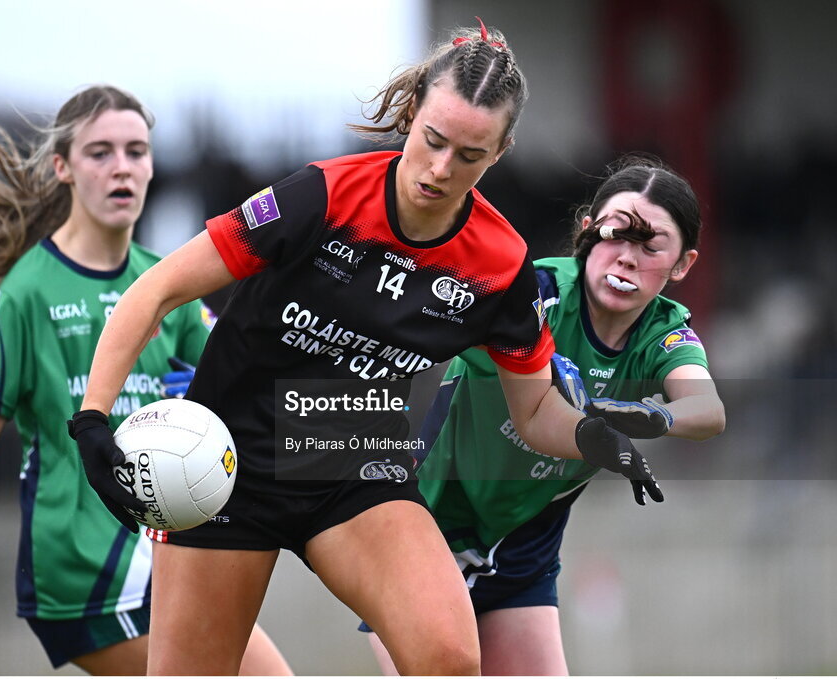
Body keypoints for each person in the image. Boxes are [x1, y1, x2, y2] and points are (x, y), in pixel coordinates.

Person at [69, 20, 661, 676]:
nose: (441, 169)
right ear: (411, 116)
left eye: (470, 155)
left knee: (449, 656)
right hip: (220, 467)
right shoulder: (318, 197)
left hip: (355, 459)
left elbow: (533, 411)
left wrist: (593, 436)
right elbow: (153, 291)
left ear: (500, 152)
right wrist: (94, 421)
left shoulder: (499, 266)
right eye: (433, 140)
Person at [0, 86, 291, 675]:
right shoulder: (27, 292)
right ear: (62, 168)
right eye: (100, 153)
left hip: (160, 550)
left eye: (136, 151)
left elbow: (250, 383)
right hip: (83, 571)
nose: (122, 166)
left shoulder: (165, 281)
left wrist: (203, 402)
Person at [363, 155, 726, 675]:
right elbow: (417, 325)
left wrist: (656, 416)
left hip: (521, 552)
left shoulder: (663, 333)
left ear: (682, 265)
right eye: (616, 234)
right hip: (425, 535)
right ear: (587, 233)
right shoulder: (534, 293)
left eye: (651, 246)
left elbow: (708, 408)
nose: (626, 257)